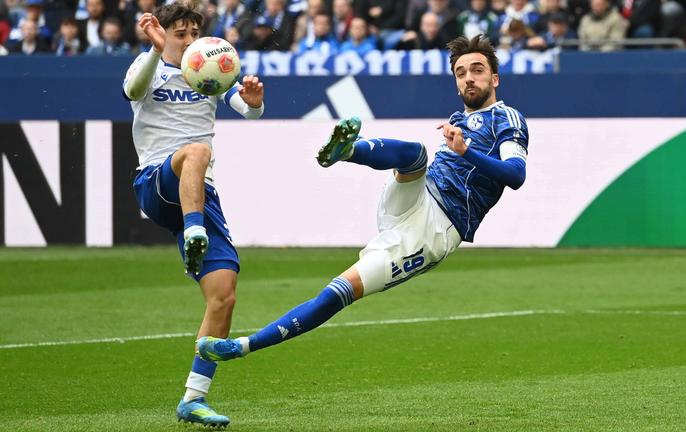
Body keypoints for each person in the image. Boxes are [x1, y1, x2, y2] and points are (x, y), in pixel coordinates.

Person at [196, 35, 529, 398]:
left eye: (477, 71)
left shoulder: (506, 118)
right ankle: (347, 150)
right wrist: (459, 149)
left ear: (494, 78)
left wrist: (465, 152)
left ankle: (243, 345)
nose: (468, 78)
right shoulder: (456, 119)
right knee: (415, 155)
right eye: (460, 72)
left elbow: (515, 175)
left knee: (338, 292)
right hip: (414, 197)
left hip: (434, 231)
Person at [121, 2, 265, 428]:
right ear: (164, 34)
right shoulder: (147, 69)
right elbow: (132, 92)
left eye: (193, 32)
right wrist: (154, 50)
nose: (188, 40)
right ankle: (192, 233)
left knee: (224, 295)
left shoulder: (211, 74)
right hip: (155, 181)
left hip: (201, 195)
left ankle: (193, 398)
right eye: (180, 33)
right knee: (198, 150)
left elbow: (248, 110)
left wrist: (254, 100)